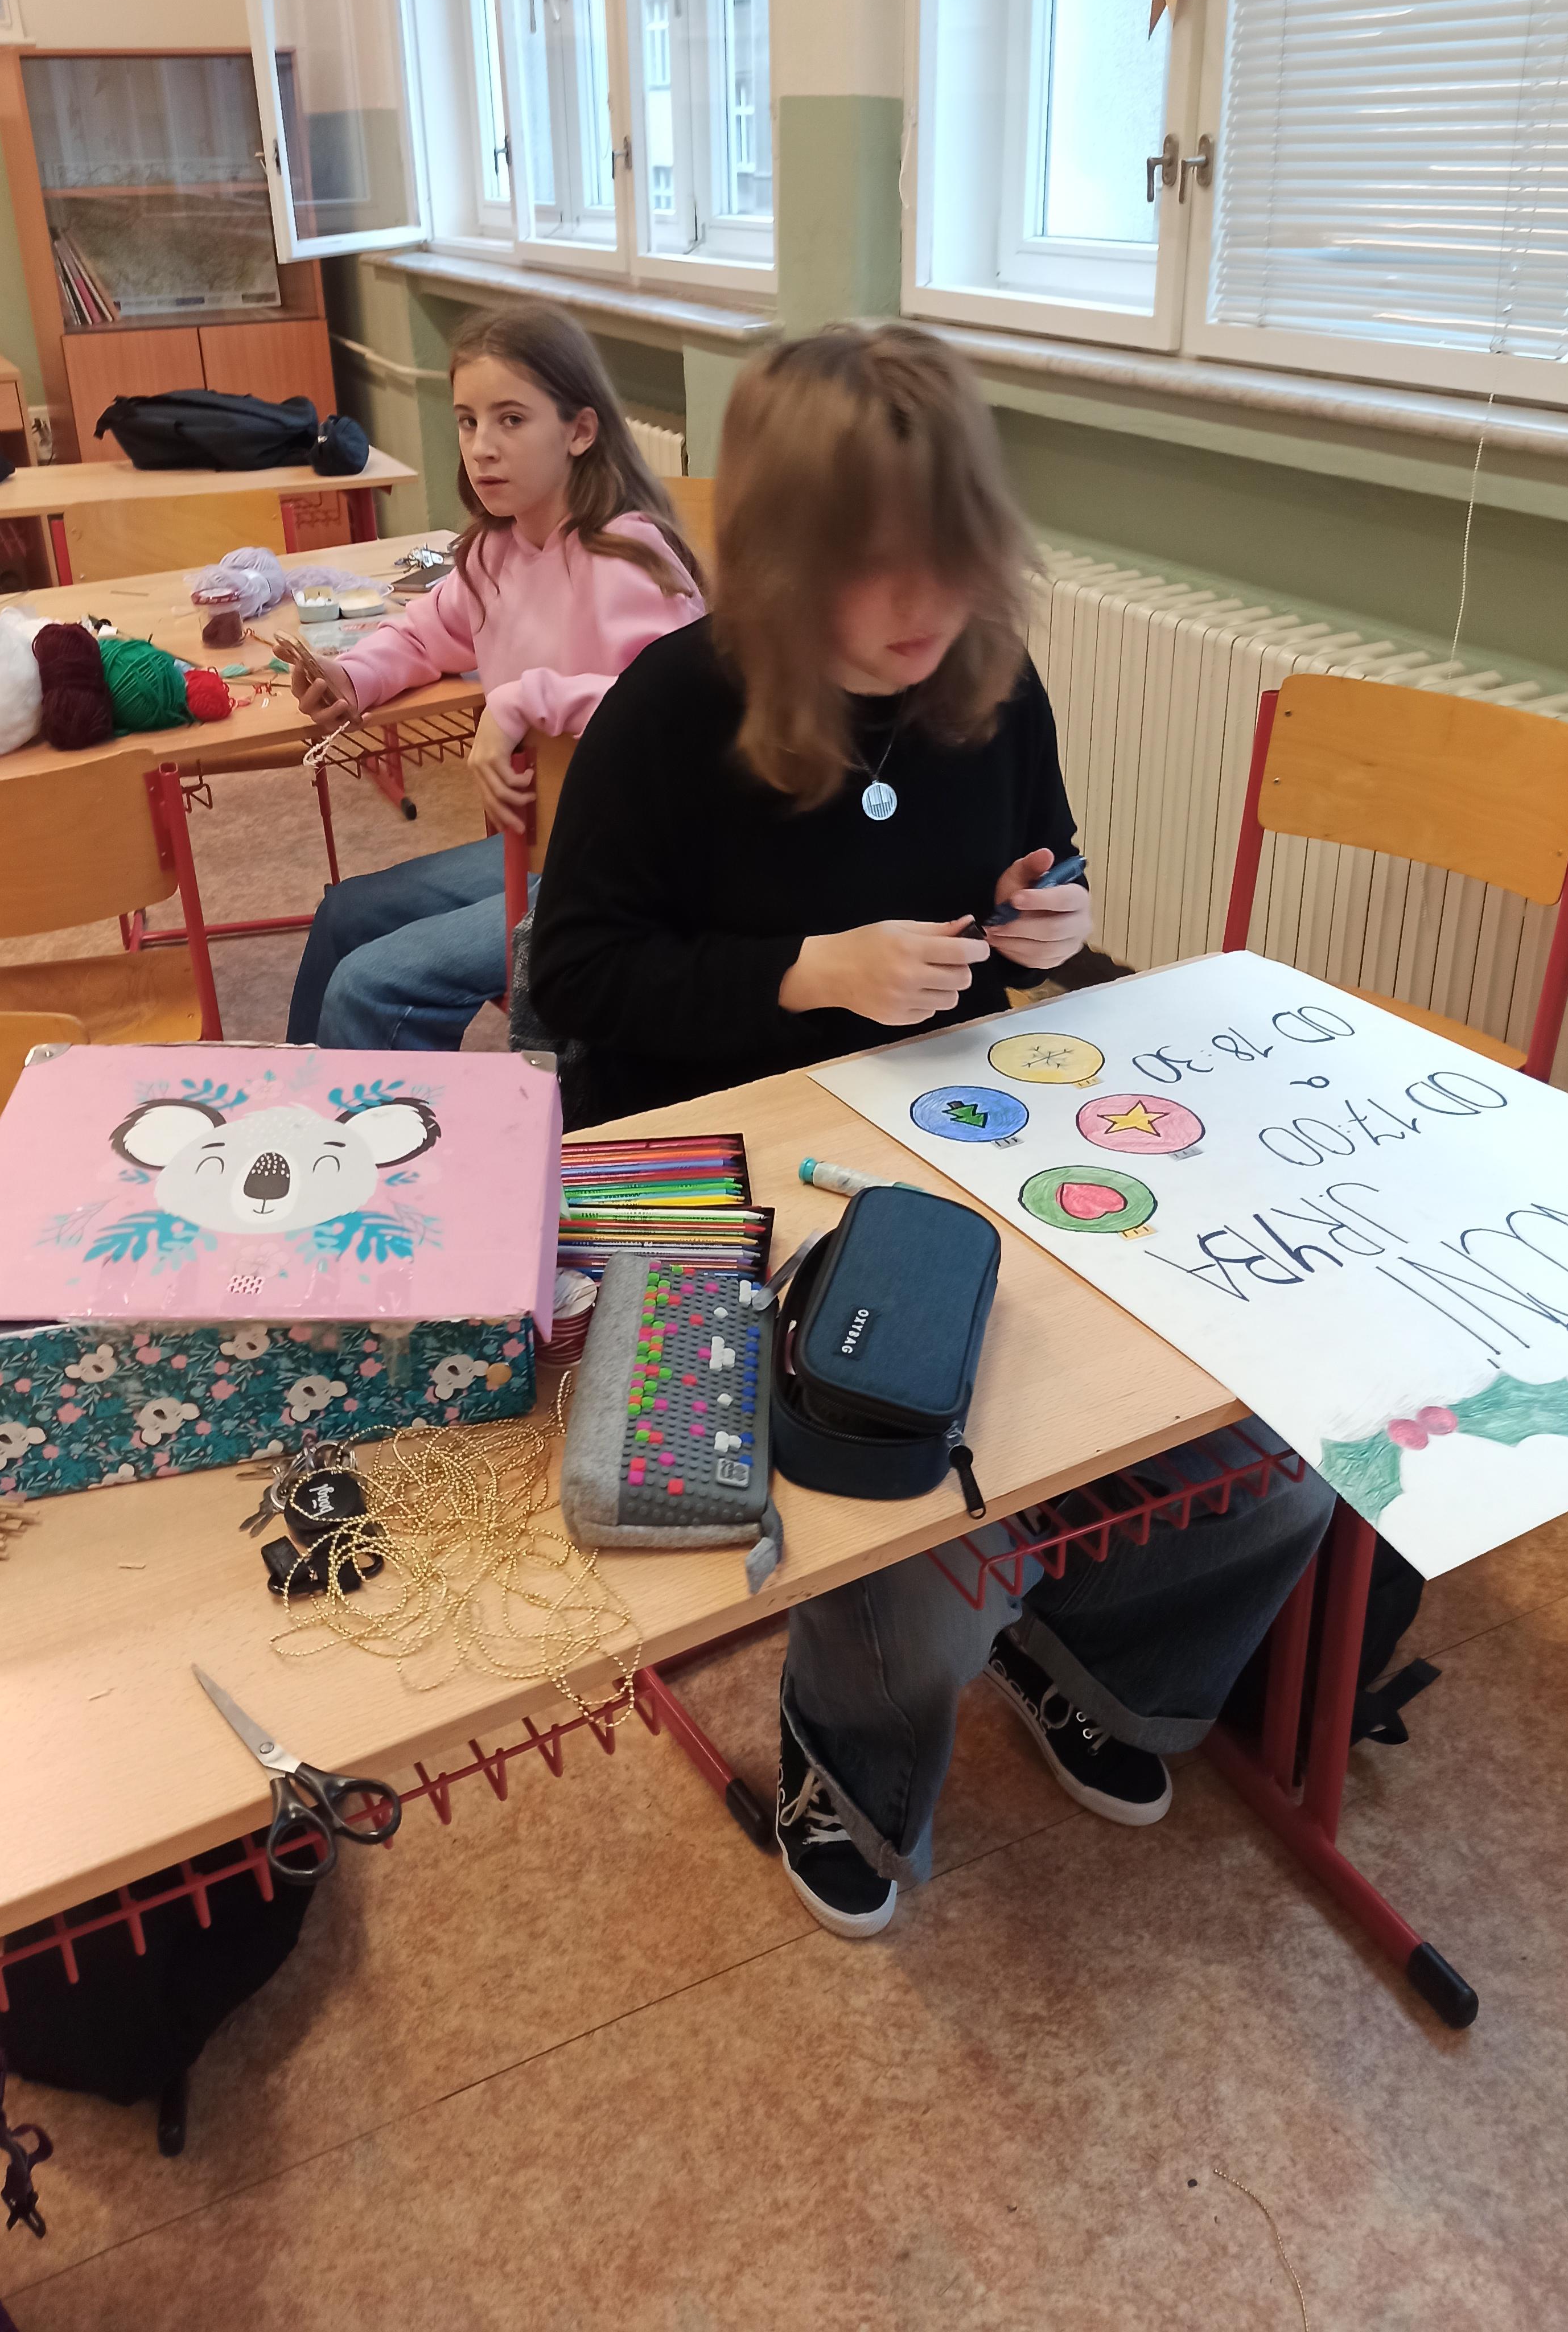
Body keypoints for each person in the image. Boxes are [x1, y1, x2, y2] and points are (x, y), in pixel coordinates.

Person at [528, 324, 1333, 1938]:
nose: (920, 610)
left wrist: (1053, 914)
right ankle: (851, 1766)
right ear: (778, 558)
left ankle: (1091, 1656)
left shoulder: (987, 677)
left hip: (955, 1126)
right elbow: (577, 977)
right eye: (870, 571)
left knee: (1284, 1450)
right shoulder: (672, 707)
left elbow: (1041, 855)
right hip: (726, 1161)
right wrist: (806, 971)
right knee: (915, 1504)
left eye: (950, 561)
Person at [285, 302, 705, 1051]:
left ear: (580, 430)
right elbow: (428, 632)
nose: (482, 448)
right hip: (541, 846)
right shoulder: (491, 552)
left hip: (631, 873)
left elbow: (679, 713)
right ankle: (302, 1110)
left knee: (369, 986)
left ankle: (405, 1129)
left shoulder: (627, 557)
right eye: (468, 422)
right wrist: (351, 676)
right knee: (344, 917)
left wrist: (523, 700)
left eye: (511, 420)